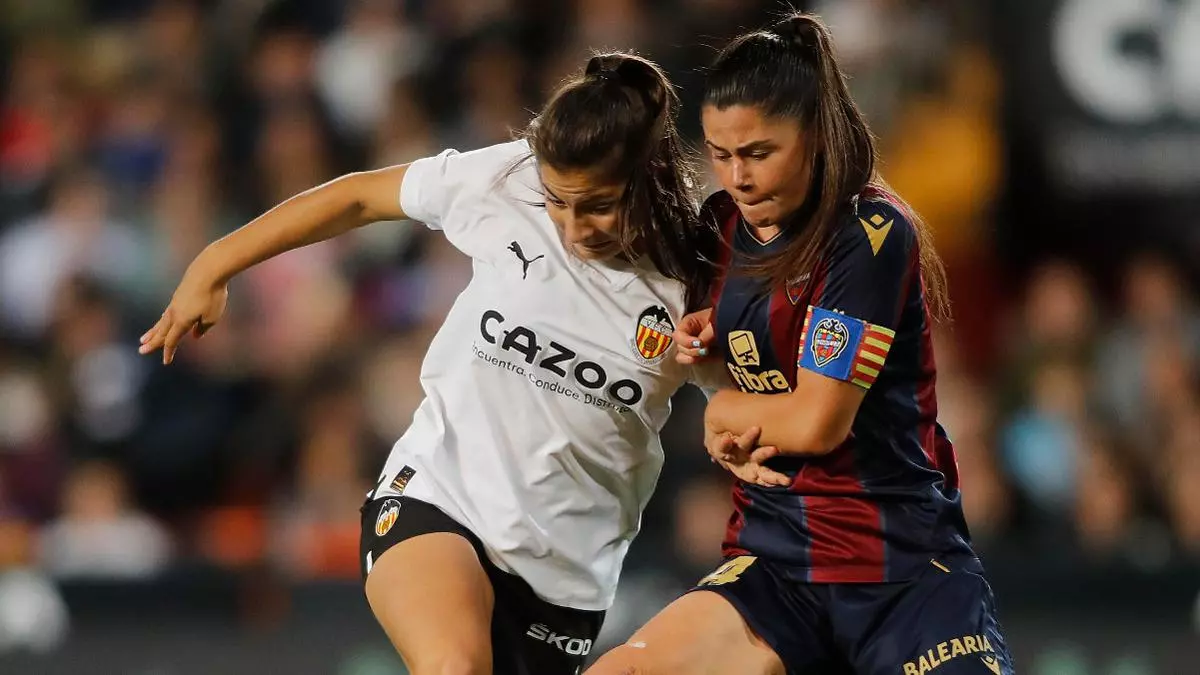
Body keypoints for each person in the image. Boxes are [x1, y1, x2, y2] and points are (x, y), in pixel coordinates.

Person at [139, 52, 731, 675]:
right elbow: (360, 198)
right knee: (454, 666)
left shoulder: (696, 279)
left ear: (647, 176)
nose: (573, 227)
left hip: (565, 580)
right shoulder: (506, 182)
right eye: (559, 201)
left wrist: (737, 429)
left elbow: (738, 405)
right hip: (438, 498)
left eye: (598, 205)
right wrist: (214, 264)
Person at [586, 14, 1013, 675]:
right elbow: (727, 356)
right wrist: (708, 360)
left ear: (813, 137)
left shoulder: (867, 234)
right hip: (775, 566)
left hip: (899, 573)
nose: (737, 176)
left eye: (758, 152)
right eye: (721, 154)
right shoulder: (720, 227)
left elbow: (817, 419)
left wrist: (726, 413)